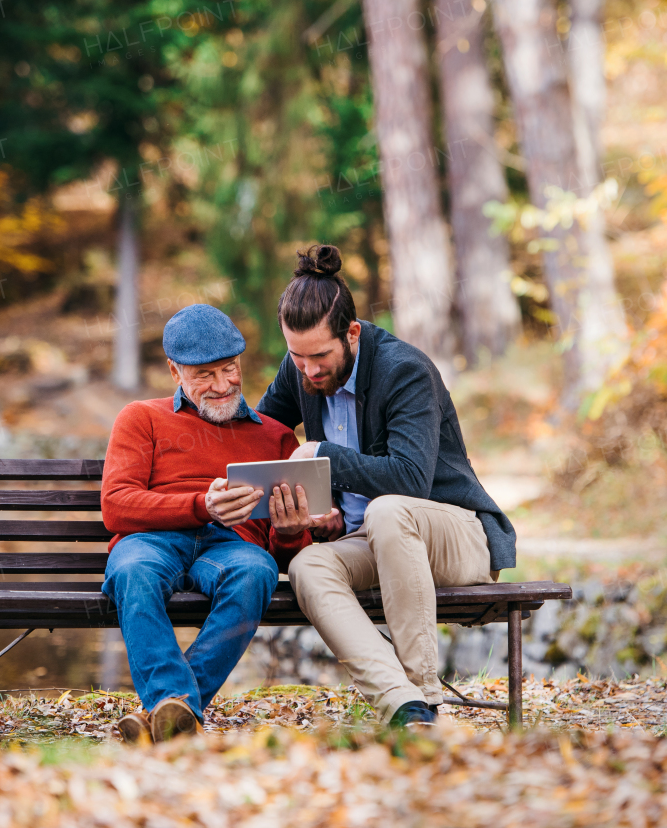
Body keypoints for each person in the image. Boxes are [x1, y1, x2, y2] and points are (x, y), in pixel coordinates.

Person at [257, 244, 517, 728]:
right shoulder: (300, 372)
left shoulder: (404, 371)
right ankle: (404, 704)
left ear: (352, 333)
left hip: (453, 534)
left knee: (388, 510)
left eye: (320, 356)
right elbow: (257, 434)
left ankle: (425, 692)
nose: (309, 370)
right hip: (371, 544)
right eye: (297, 357)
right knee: (309, 565)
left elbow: (410, 478)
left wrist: (325, 459)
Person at [101, 304, 336, 743]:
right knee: (131, 571)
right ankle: (177, 706)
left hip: (232, 548)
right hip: (151, 543)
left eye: (229, 369)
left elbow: (290, 552)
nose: (223, 384)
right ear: (175, 372)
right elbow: (116, 505)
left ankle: (170, 708)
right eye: (205, 375)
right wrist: (199, 506)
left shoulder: (275, 436)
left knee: (256, 571)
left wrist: (289, 531)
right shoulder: (141, 418)